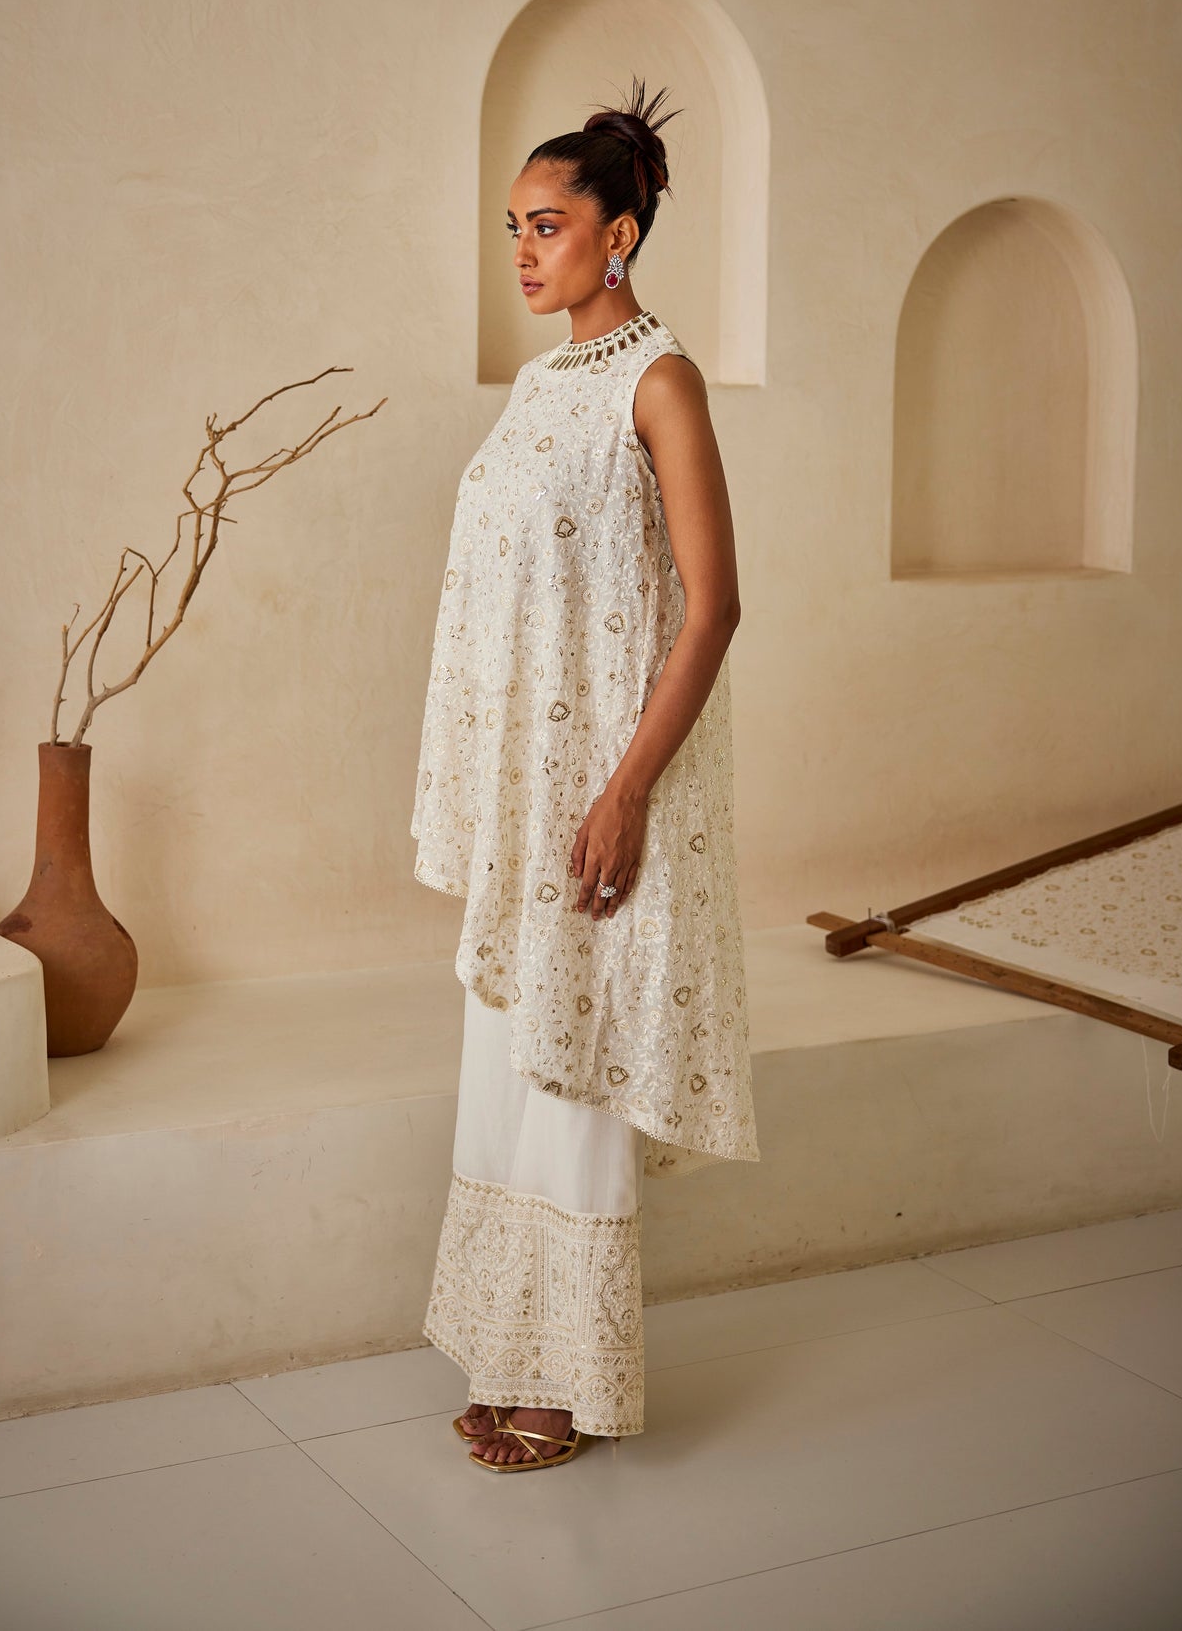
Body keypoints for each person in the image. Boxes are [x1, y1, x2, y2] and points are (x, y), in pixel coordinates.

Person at [411, 77, 760, 1473]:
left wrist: (624, 793)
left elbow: (713, 606)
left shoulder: (658, 381)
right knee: (512, 1060)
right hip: (527, 789)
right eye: (512, 226)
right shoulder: (539, 383)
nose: (521, 250)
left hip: (608, 783)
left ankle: (570, 1384)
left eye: (546, 225)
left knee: (577, 1060)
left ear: (618, 235)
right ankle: (509, 1351)